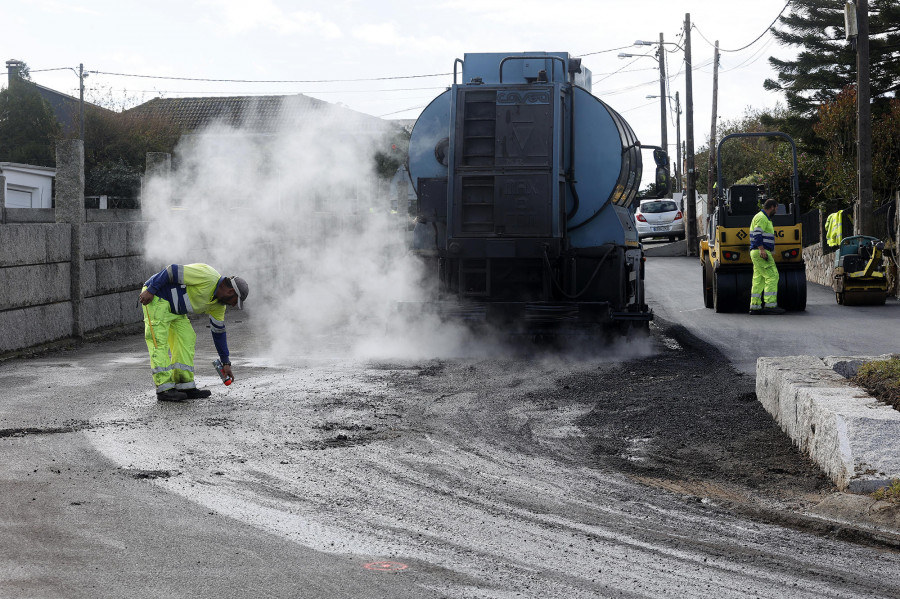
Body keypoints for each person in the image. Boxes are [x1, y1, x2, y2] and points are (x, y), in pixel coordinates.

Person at [139, 264, 249, 401]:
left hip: (176, 310)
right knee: (158, 341)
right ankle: (164, 389)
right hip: (156, 296)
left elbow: (218, 333)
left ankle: (185, 385)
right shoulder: (208, 276)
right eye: (235, 301)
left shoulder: (218, 306)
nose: (233, 305)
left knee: (187, 338)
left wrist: (226, 363)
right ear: (230, 291)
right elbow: (171, 270)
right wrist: (151, 289)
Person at [749, 199, 785, 315]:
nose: (776, 210)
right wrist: (762, 249)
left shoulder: (762, 217)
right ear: (772, 207)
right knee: (773, 276)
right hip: (761, 252)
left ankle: (755, 306)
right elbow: (757, 234)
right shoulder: (762, 218)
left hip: (757, 252)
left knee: (758, 280)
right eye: (776, 208)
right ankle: (770, 305)